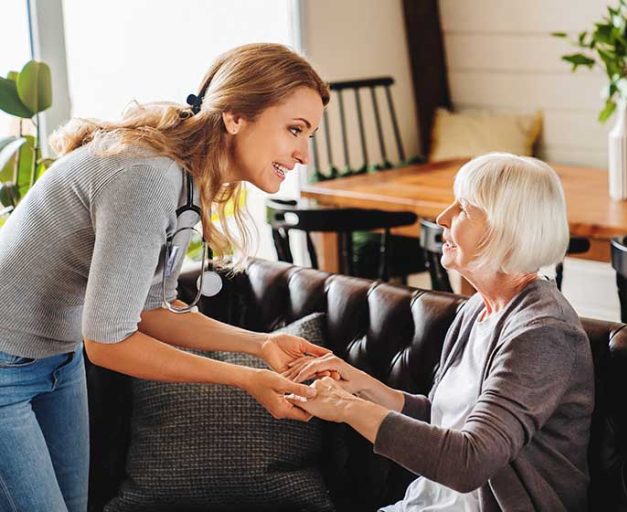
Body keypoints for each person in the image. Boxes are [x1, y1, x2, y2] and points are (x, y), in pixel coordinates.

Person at [0, 43, 330, 512]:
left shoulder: (182, 176)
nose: (303, 155)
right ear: (236, 115)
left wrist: (261, 346)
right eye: (294, 129)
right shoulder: (149, 176)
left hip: (57, 359)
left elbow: (152, 310)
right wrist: (247, 380)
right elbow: (108, 342)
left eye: (309, 135)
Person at [285, 152, 596, 511]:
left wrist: (347, 407)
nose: (442, 217)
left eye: (463, 208)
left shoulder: (543, 333)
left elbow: (469, 461)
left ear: (505, 228)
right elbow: (446, 419)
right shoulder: (478, 308)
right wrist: (362, 385)